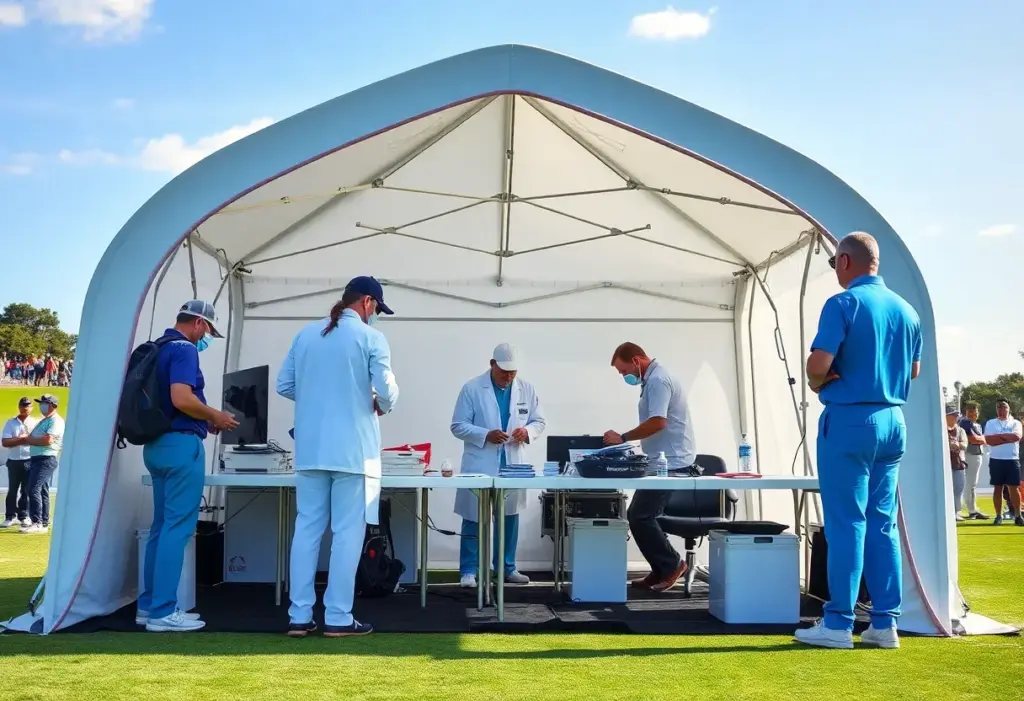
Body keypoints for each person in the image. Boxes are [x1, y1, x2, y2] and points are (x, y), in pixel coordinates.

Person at [797, 232, 921, 650]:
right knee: (882, 523)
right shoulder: (906, 309)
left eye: (834, 262)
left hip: (851, 418)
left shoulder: (843, 303)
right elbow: (914, 370)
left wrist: (818, 381)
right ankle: (885, 624)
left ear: (845, 261)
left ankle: (837, 623)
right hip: (893, 420)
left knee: (846, 522)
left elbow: (818, 365)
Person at [277, 276, 400, 638]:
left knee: (307, 529)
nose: (376, 314)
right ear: (367, 302)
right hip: (353, 452)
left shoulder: (305, 334)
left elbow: (284, 384)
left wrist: (317, 397)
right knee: (347, 533)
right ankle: (338, 616)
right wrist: (379, 403)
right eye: (377, 308)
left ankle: (299, 615)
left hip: (311, 449)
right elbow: (387, 391)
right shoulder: (371, 337)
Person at [138, 300, 239, 633]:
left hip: (156, 445)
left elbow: (171, 402)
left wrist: (204, 418)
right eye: (208, 330)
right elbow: (181, 398)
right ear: (199, 323)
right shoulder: (184, 349)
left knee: (160, 528)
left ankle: (148, 606)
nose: (207, 337)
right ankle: (163, 611)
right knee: (177, 529)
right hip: (181, 446)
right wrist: (215, 416)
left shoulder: (159, 347)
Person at [451, 344, 546, 588]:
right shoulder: (472, 388)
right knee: (473, 517)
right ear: (492, 364)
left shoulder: (527, 389)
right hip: (480, 464)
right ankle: (469, 570)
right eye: (504, 372)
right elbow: (458, 425)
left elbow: (539, 421)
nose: (508, 377)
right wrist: (485, 434)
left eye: (513, 372)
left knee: (509, 518)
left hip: (512, 465)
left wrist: (527, 431)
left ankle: (506, 567)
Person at [603, 342, 695, 592]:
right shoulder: (651, 380)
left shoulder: (657, 380)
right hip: (661, 460)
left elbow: (657, 422)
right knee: (638, 515)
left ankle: (672, 564)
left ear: (636, 360)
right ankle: (660, 568)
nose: (624, 376)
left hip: (671, 462)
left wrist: (623, 438)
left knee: (641, 516)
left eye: (624, 371)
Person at [20, 393, 66, 534]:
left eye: (45, 403)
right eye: (41, 403)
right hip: (39, 458)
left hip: (45, 458)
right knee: (41, 490)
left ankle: (37, 522)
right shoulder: (45, 420)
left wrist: (29, 440)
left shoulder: (55, 421)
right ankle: (43, 521)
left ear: (53, 405)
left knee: (33, 488)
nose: (41, 405)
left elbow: (48, 440)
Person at [982, 399, 1023, 526]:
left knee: (1013, 488)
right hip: (996, 459)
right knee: (997, 487)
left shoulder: (1015, 423)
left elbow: (1016, 437)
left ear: (1008, 408)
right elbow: (989, 440)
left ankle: (1018, 515)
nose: (1001, 409)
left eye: (1004, 407)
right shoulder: (991, 423)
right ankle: (998, 515)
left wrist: (998, 438)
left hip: (1012, 459)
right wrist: (1006, 437)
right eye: (999, 407)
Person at [1, 397, 37, 528]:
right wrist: (24, 439)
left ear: (31, 408)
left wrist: (17, 440)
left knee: (26, 490)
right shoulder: (10, 423)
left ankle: (23, 515)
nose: (24, 408)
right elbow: (6, 442)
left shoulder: (35, 423)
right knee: (12, 489)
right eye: (22, 406)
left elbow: (36, 440)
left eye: (27, 406)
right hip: (14, 460)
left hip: (29, 459)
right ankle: (10, 516)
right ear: (19, 407)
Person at [958, 402, 988, 520]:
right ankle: (971, 510)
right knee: (969, 484)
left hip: (977, 454)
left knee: (972, 484)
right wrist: (982, 439)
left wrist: (982, 439)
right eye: (969, 411)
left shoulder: (977, 425)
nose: (971, 413)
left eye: (973, 411)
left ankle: (972, 508)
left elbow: (981, 439)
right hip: (969, 454)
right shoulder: (965, 423)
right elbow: (973, 439)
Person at [946, 407, 968, 521]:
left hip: (958, 462)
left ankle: (956, 511)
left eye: (956, 415)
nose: (956, 417)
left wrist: (957, 445)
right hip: (946, 463)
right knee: (947, 488)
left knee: (958, 488)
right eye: (953, 415)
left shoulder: (960, 430)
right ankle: (947, 511)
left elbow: (965, 444)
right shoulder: (941, 429)